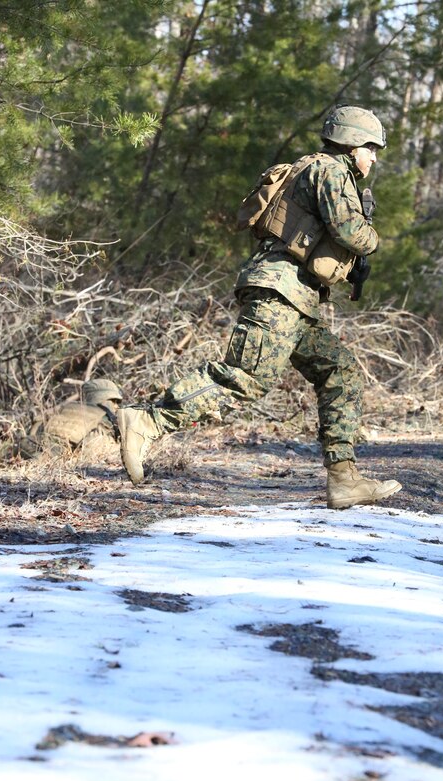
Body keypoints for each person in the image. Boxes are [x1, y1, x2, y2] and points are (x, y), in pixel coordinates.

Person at [117, 105, 402, 510]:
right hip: (280, 292)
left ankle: (344, 479)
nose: (374, 158)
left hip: (296, 296)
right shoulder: (332, 171)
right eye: (372, 148)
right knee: (245, 376)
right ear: (354, 143)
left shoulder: (316, 169)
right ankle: (148, 420)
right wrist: (372, 239)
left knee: (340, 371)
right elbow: (351, 231)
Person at [19, 378, 122, 458]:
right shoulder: (105, 416)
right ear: (105, 399)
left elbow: (36, 426)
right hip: (56, 452)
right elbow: (91, 448)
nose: (116, 406)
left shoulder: (68, 406)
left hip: (29, 443)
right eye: (114, 401)